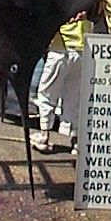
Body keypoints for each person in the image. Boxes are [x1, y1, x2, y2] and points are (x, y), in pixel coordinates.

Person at [30, 19, 91, 154]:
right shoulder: (85, 1)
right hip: (82, 49)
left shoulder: (58, 0)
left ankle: (44, 136)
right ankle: (75, 140)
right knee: (75, 98)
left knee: (47, 94)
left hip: (59, 49)